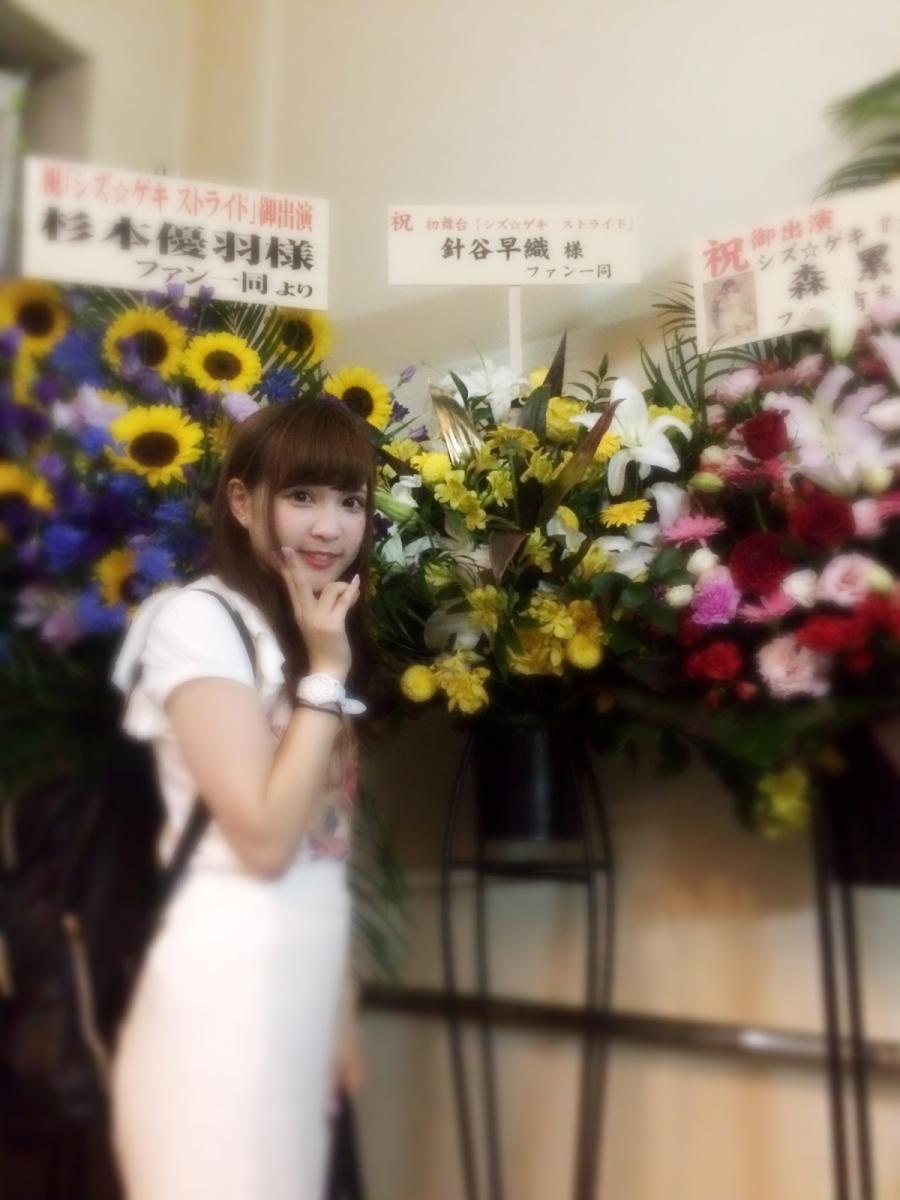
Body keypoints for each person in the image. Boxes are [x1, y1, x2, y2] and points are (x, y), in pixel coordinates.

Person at [109, 396, 378, 1199]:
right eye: (301, 496)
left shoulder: (305, 633)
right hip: (223, 996)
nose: (329, 527)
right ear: (241, 500)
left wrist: (339, 1010)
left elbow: (326, 842)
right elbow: (263, 840)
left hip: (298, 991)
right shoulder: (197, 622)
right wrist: (326, 677)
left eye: (350, 501)